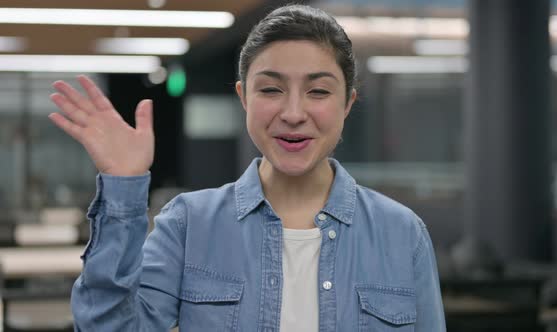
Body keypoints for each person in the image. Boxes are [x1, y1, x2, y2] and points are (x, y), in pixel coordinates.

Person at [48, 4, 446, 332]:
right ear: (243, 97)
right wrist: (123, 186)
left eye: (319, 91)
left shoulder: (401, 233)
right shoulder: (189, 225)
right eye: (271, 89)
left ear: (347, 103)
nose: (293, 113)